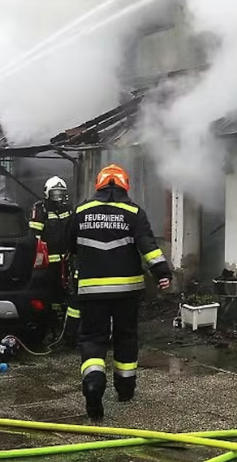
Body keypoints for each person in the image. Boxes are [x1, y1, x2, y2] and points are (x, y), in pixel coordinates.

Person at [65, 164, 171, 420]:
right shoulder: (135, 212)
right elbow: (149, 247)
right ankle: (125, 389)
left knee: (92, 338)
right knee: (126, 337)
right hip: (127, 290)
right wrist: (163, 274)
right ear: (125, 186)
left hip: (91, 290)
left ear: (99, 185)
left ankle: (93, 384)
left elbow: (69, 244)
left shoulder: (81, 211)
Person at [29, 176, 76, 337]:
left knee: (66, 291)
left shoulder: (68, 209)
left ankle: (65, 322)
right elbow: (35, 236)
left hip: (66, 259)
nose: (58, 197)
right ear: (47, 193)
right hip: (48, 261)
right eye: (55, 193)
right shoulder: (40, 209)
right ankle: (50, 322)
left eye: (60, 193)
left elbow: (72, 230)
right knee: (49, 291)